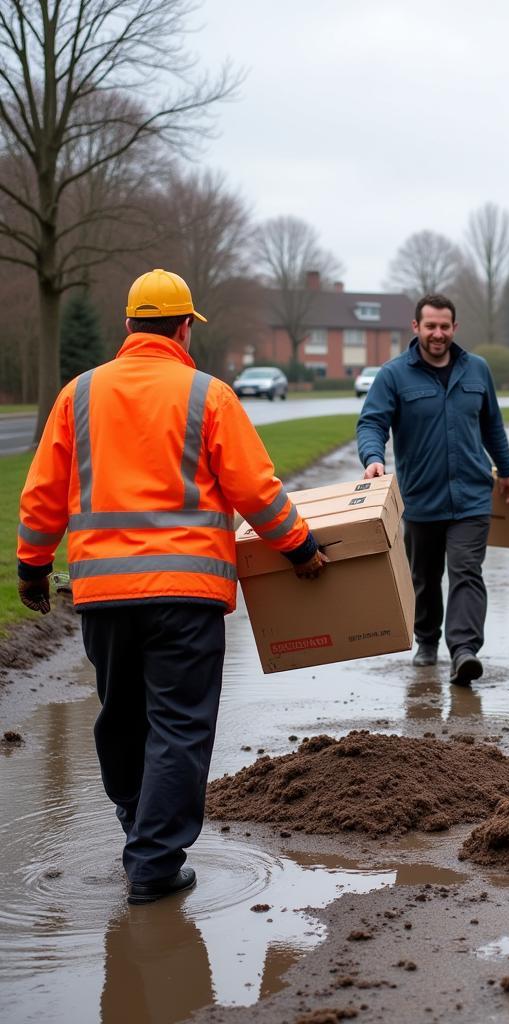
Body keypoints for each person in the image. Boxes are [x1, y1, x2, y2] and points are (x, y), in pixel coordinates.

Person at [16, 269, 327, 904]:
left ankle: (140, 830)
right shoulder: (207, 395)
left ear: (128, 326)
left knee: (121, 719)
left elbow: (44, 494)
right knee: (179, 727)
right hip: (185, 597)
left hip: (104, 597)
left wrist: (31, 566)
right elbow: (254, 489)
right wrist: (299, 546)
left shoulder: (77, 394)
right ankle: (154, 862)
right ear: (185, 328)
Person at [356, 293, 509, 685]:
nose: (438, 333)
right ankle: (426, 640)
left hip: (472, 497)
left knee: (466, 571)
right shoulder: (394, 375)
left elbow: (493, 425)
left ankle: (464, 650)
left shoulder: (476, 370)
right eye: (430, 326)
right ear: (416, 328)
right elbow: (371, 423)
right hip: (421, 498)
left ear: (455, 328)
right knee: (424, 577)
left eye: (445, 326)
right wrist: (372, 457)